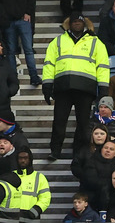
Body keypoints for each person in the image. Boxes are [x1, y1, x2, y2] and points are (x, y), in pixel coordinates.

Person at [42, 14, 109, 160]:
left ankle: (79, 152)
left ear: (84, 23)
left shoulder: (96, 42)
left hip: (85, 88)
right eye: (74, 21)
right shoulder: (58, 41)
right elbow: (49, 64)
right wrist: (47, 84)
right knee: (59, 121)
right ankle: (55, 151)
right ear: (69, 23)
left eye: (79, 21)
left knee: (83, 123)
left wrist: (103, 89)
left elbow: (103, 66)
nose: (77, 24)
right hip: (63, 88)